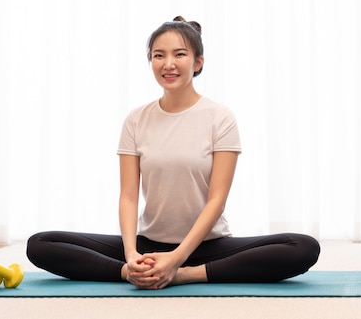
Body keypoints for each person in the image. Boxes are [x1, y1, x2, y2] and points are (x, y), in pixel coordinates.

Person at [26, 16, 320, 290]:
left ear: (197, 62)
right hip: (148, 246)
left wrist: (178, 260)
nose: (168, 64)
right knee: (40, 243)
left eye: (179, 54)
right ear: (151, 61)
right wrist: (130, 257)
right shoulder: (136, 120)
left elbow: (217, 199)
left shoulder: (220, 117)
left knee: (303, 247)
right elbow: (128, 196)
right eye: (158, 55)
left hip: (207, 246)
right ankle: (132, 274)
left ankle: (186, 276)